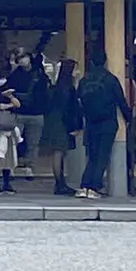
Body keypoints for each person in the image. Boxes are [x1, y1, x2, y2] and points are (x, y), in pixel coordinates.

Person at [75, 48, 131, 199]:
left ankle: (84, 186)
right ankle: (94, 187)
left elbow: (78, 101)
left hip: (91, 122)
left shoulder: (84, 80)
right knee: (102, 156)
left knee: (92, 155)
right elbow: (121, 101)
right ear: (105, 61)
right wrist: (129, 118)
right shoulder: (110, 79)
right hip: (108, 122)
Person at [9, 35, 51, 178]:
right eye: (20, 58)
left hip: (35, 113)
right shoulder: (15, 75)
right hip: (20, 112)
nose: (22, 61)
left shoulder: (40, 74)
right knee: (16, 141)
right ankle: (14, 165)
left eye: (24, 57)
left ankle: (29, 166)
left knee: (33, 143)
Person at [41, 58, 81, 195]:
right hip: (62, 123)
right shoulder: (68, 88)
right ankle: (60, 184)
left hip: (54, 121)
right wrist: (73, 127)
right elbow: (69, 109)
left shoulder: (57, 86)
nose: (78, 72)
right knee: (59, 153)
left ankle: (60, 182)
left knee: (58, 153)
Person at [0, 59, 21, 194]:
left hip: (1, 123)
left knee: (0, 153)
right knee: (1, 154)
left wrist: (8, 99)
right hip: (2, 122)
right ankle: (0, 182)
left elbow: (17, 103)